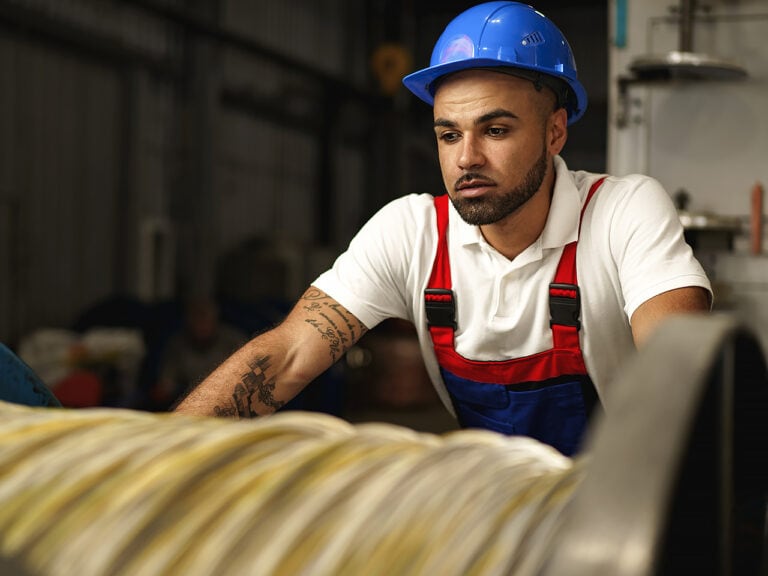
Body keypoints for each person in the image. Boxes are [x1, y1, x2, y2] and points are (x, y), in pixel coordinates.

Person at [175, 1, 711, 455]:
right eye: (448, 134)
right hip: (495, 507)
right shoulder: (411, 232)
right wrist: (162, 455)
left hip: (623, 511)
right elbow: (288, 353)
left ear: (554, 132)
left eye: (495, 129)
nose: (466, 159)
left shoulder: (623, 212)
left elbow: (677, 373)